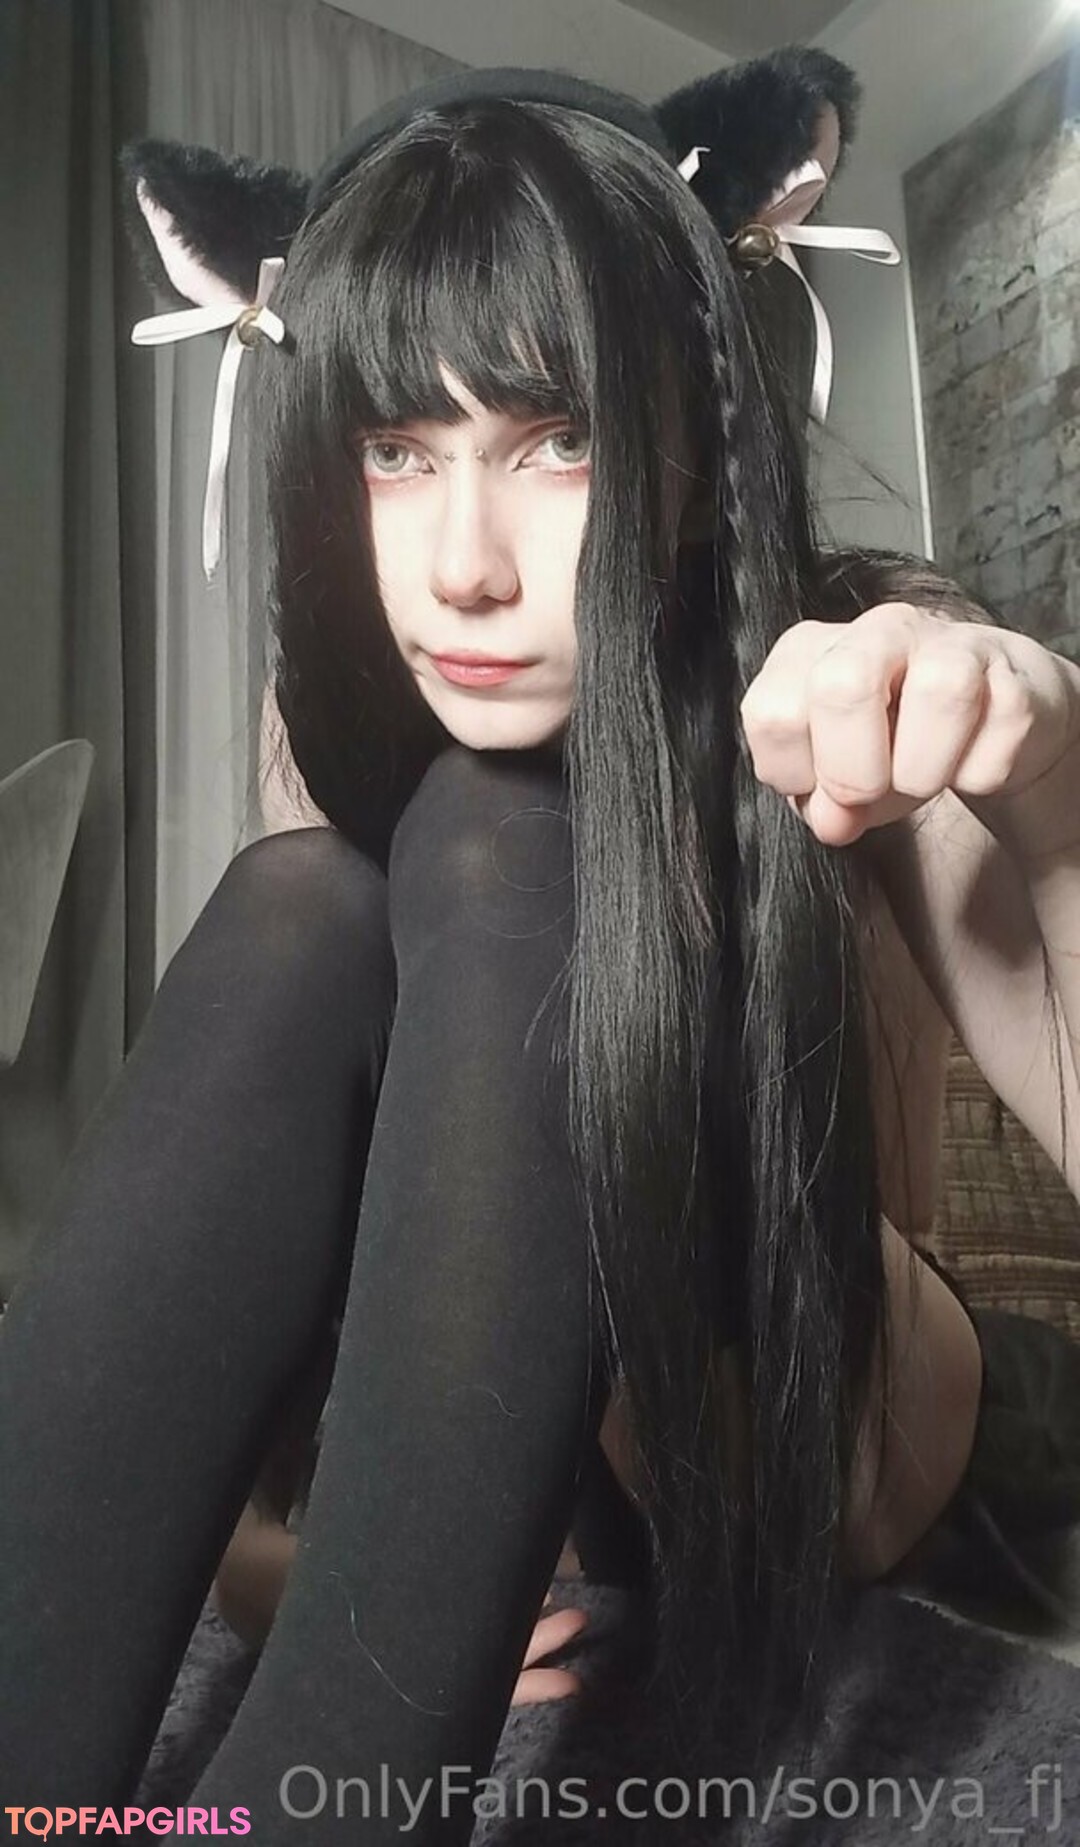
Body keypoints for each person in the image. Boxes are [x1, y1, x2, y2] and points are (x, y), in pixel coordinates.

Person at [1, 45, 1078, 1841]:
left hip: (853, 1430)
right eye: (399, 451)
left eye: (556, 440)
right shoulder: (364, 755)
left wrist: (1051, 785)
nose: (466, 566)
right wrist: (305, 1587)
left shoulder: (850, 661)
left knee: (508, 838)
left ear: (682, 454)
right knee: (303, 897)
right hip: (548, 1463)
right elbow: (291, 1292)